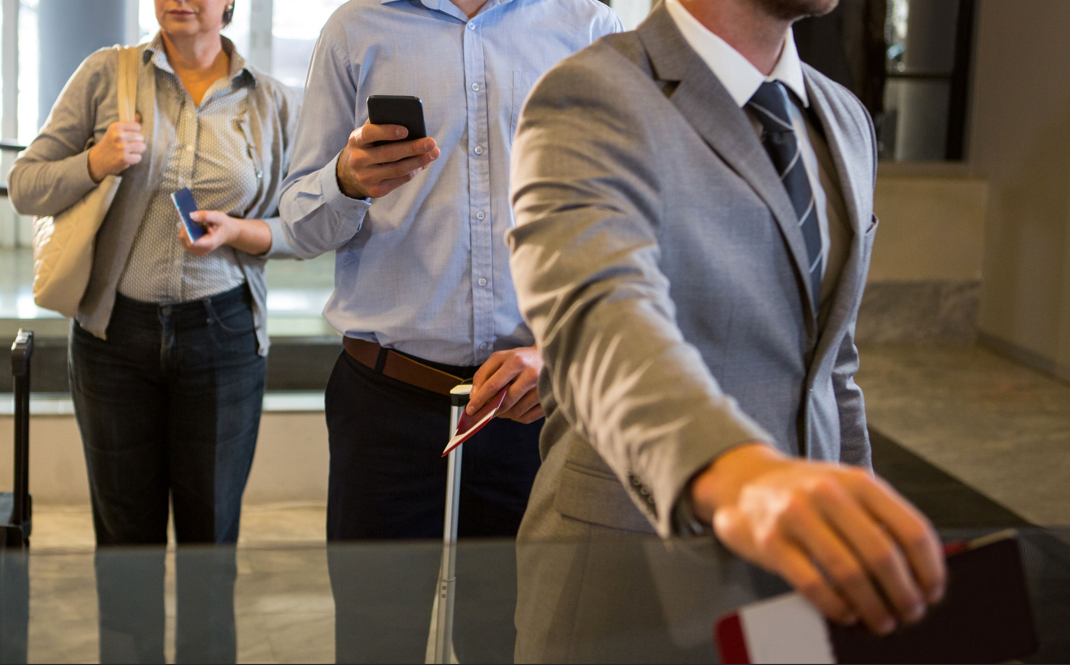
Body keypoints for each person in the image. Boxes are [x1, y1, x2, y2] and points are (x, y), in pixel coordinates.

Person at [507, 0, 947, 660]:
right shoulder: (592, 93)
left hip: (796, 584)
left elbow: (831, 368)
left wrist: (861, 528)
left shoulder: (846, 119)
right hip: (627, 581)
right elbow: (600, 316)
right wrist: (741, 475)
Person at [277, 0, 622, 660]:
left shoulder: (588, 29)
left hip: (530, 407)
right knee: (376, 640)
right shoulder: (355, 29)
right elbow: (297, 220)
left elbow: (628, 226)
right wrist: (346, 181)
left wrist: (559, 350)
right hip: (384, 402)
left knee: (518, 638)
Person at [6, 0, 298, 661]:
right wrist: (95, 162)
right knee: (124, 548)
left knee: (210, 548)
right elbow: (25, 185)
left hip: (223, 339)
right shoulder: (106, 75)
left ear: (228, 3)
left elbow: (304, 223)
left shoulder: (271, 103)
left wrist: (244, 231)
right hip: (115, 342)